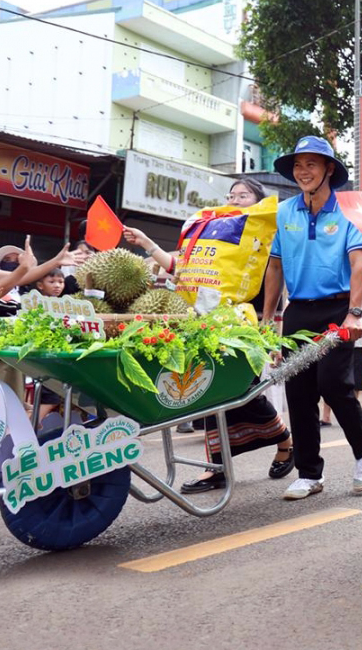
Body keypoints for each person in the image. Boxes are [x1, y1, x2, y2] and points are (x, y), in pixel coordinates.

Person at [123, 177, 296, 493]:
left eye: (243, 195)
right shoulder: (210, 234)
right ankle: (218, 469)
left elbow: (276, 285)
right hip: (203, 324)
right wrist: (147, 243)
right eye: (231, 195)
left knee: (243, 392)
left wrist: (273, 334)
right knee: (210, 395)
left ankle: (283, 441)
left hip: (242, 325)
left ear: (259, 200)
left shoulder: (265, 235)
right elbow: (181, 269)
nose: (235, 199)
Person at [261, 137, 362, 499]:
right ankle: (309, 473)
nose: (303, 172)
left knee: (332, 383)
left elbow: (359, 265)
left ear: (329, 168)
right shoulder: (284, 212)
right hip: (298, 310)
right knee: (298, 392)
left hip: (338, 309)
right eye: (298, 165)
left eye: (312, 164)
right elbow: (275, 266)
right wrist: (268, 318)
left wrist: (355, 313)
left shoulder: (351, 210)